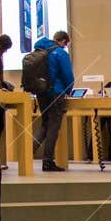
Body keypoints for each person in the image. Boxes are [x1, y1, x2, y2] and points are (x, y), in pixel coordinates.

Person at [35, 31, 74, 172]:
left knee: (45, 125)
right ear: (63, 41)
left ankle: (28, 154)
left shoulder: (39, 50)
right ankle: (47, 162)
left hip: (41, 93)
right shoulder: (60, 53)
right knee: (53, 127)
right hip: (56, 93)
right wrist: (69, 90)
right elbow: (67, 75)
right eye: (66, 44)